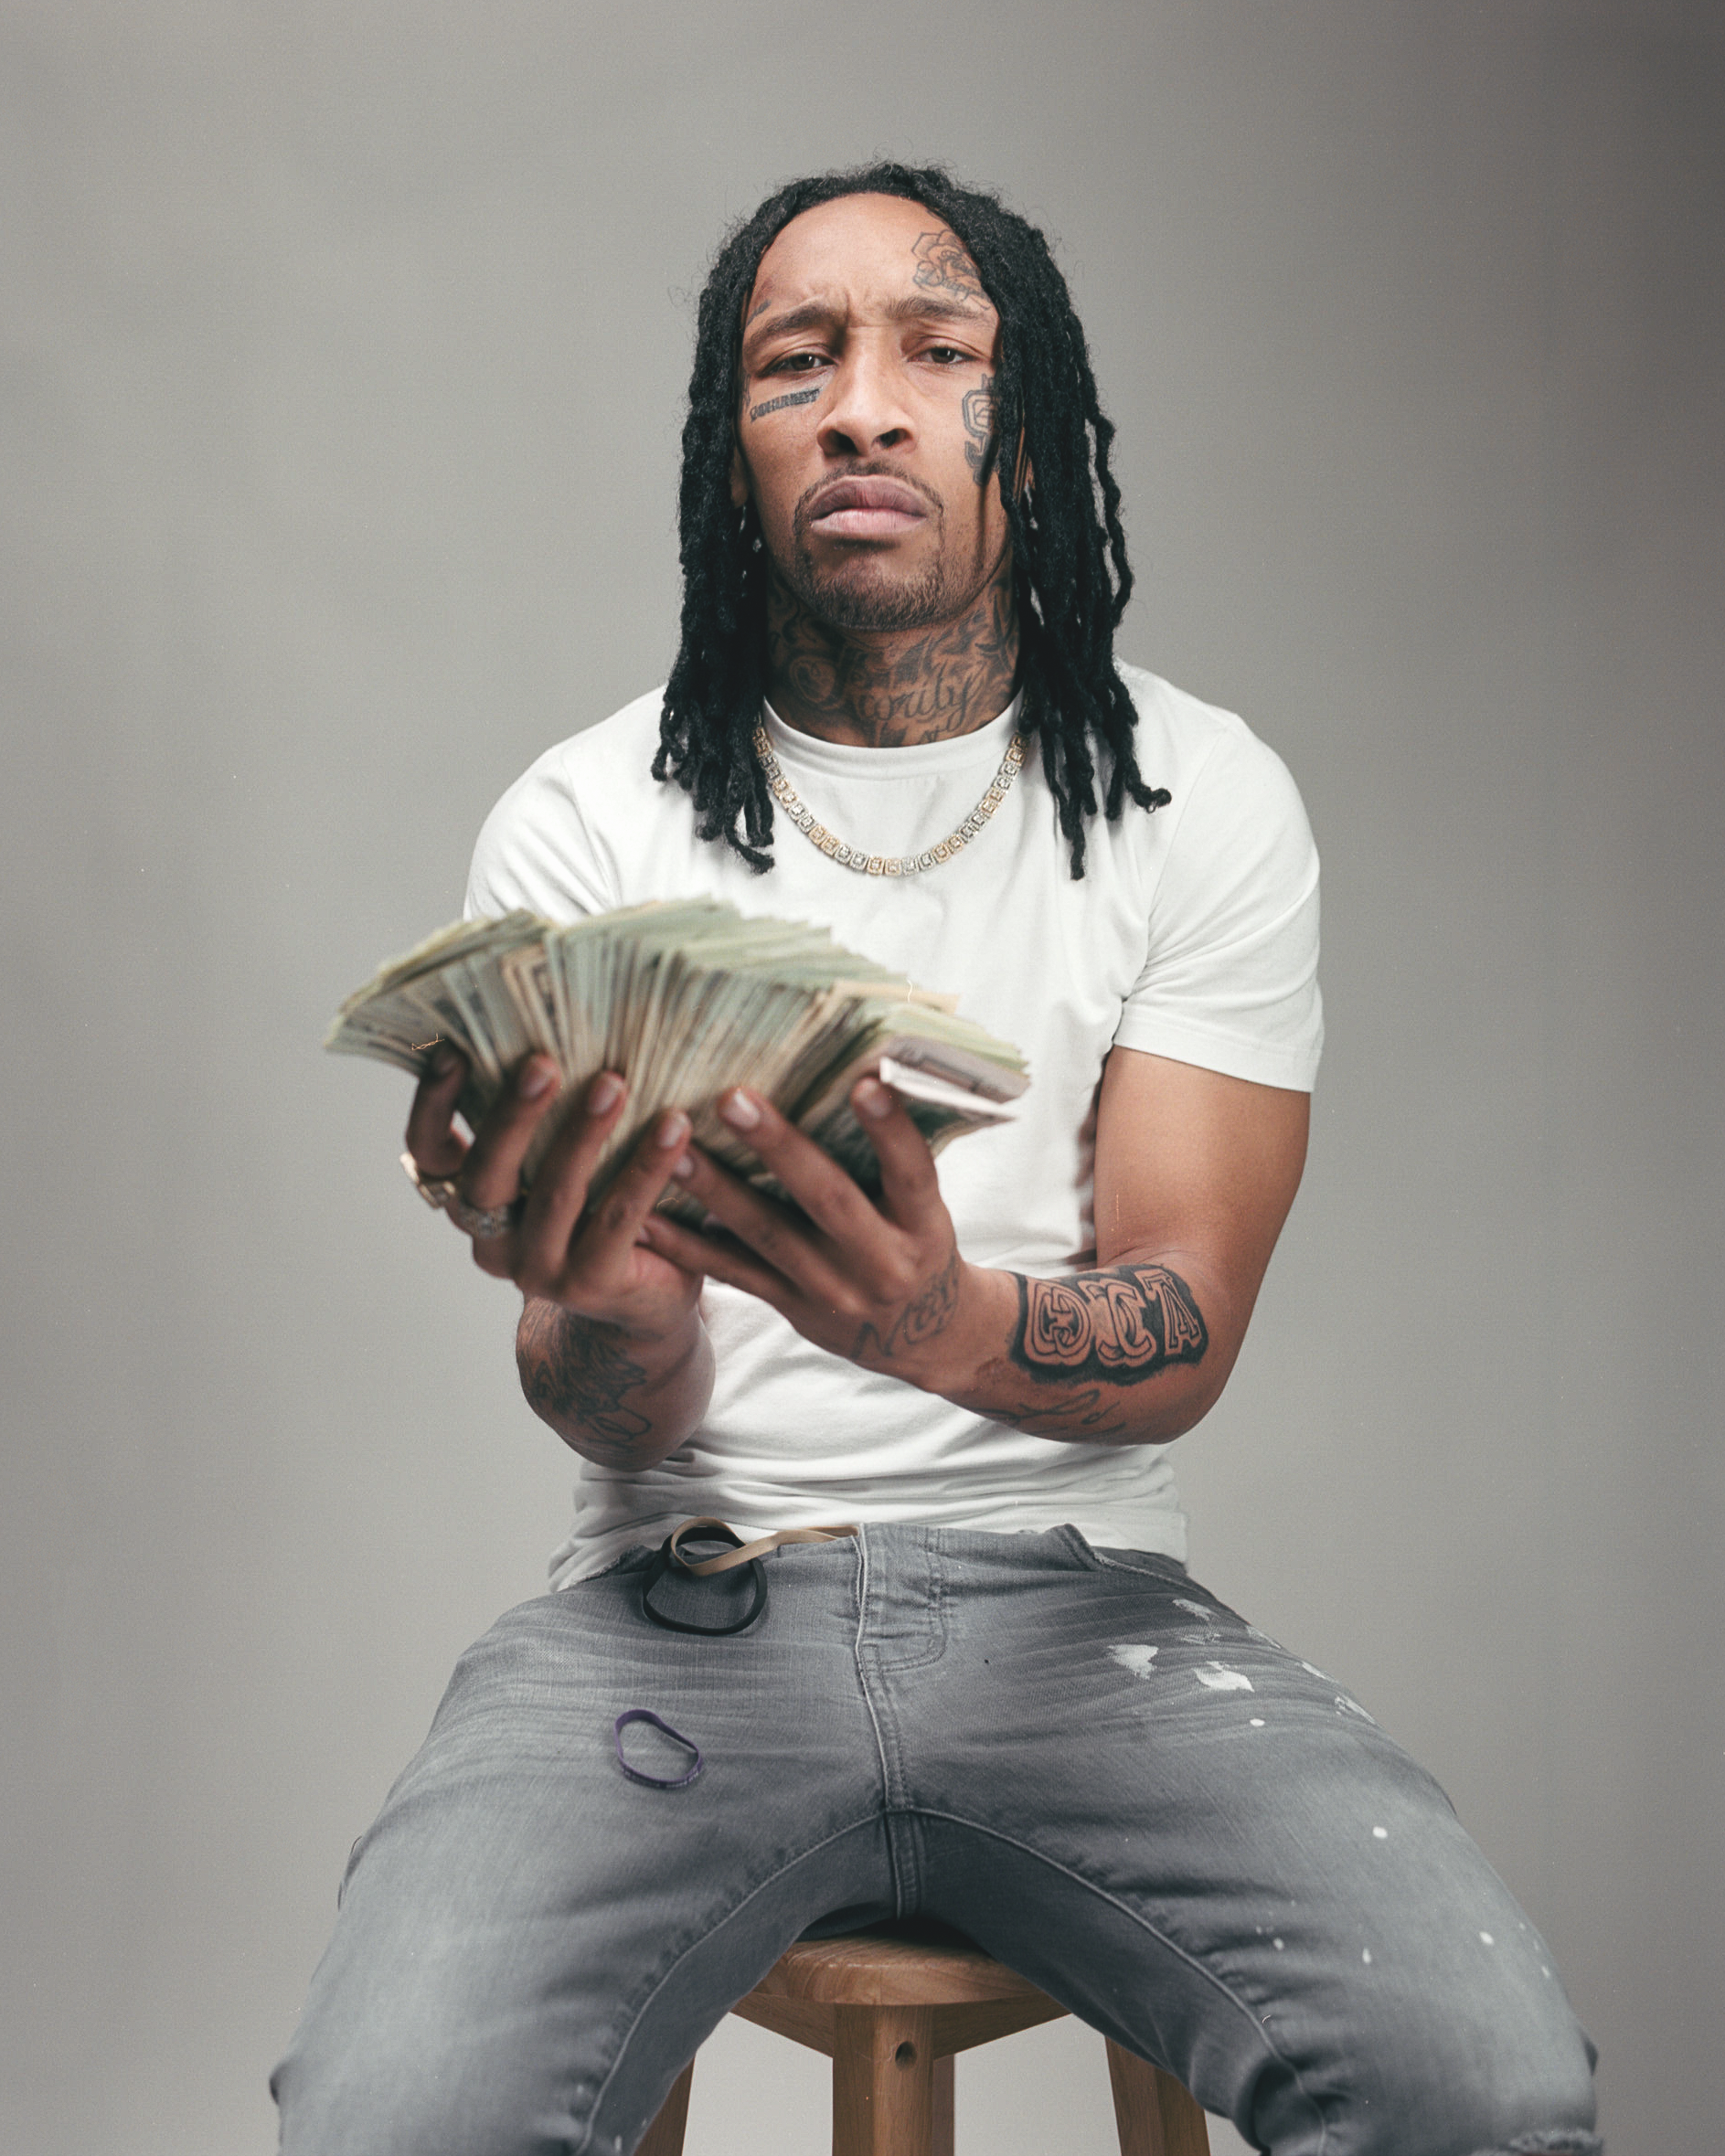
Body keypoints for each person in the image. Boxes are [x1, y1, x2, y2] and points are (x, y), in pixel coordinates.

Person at [273, 164, 1600, 2156]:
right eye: (794, 364)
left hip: (1085, 1619)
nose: (861, 409)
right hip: (679, 1611)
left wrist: (930, 1319)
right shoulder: (585, 820)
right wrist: (615, 1310)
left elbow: (1182, 1311)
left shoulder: (1198, 798)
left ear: (1028, 432)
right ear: (733, 453)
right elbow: (606, 1408)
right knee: (394, 2121)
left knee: (1485, 2092)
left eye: (934, 349)